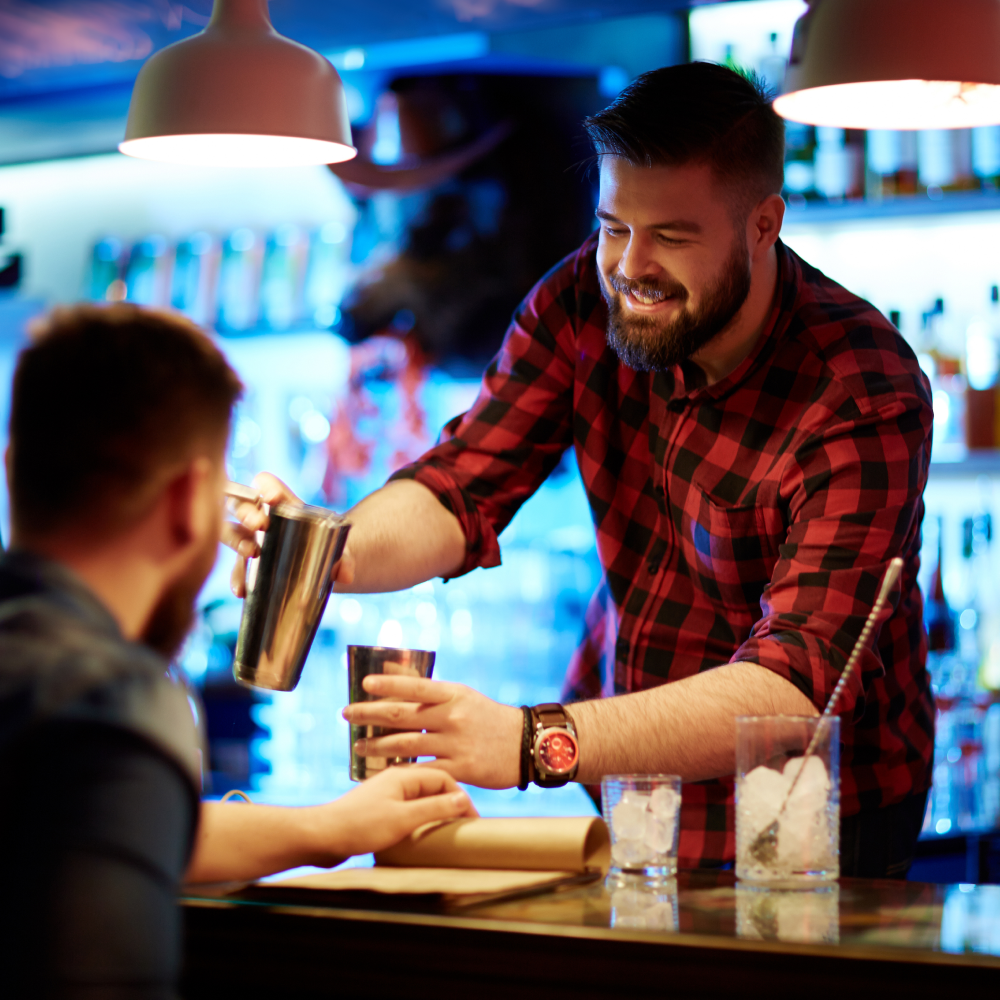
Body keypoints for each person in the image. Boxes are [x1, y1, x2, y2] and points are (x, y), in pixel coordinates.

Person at [232, 64, 934, 877]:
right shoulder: (578, 302)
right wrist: (327, 549)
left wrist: (533, 741)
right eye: (612, 227)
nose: (631, 267)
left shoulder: (859, 386)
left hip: (819, 815)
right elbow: (463, 484)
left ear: (763, 224)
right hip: (635, 790)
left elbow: (794, 686)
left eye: (672, 235)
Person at [0, 304, 475, 999]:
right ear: (194, 498)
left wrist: (327, 829)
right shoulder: (114, 699)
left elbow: (107, 826)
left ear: (13, 472)